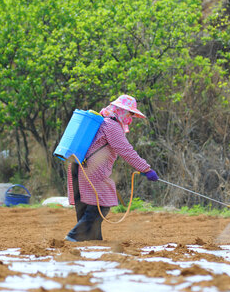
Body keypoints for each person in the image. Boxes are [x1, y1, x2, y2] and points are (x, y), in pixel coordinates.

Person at [65, 94, 159, 242]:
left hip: (78, 166)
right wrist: (146, 169)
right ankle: (74, 236)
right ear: (120, 110)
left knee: (87, 206)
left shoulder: (101, 122)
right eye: (130, 113)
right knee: (102, 205)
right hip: (92, 170)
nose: (131, 117)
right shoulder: (111, 126)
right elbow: (126, 150)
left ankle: (93, 240)